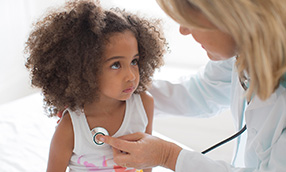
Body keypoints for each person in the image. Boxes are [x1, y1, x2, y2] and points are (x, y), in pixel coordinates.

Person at [99, 0, 286, 171]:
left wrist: (168, 156)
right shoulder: (242, 52)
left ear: (231, 16)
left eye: (189, 18)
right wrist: (114, 89)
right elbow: (200, 92)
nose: (183, 30)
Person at [24, 0, 166, 171]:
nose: (131, 75)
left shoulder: (144, 104)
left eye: (134, 61)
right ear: (84, 71)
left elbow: (146, 162)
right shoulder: (70, 127)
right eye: (116, 65)